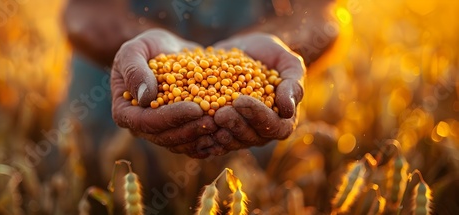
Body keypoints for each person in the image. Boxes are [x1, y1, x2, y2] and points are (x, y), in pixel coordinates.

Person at [59, 0, 339, 213]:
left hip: (253, 115)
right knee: (85, 181)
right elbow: (85, 13)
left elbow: (319, 14)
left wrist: (281, 47)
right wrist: (134, 52)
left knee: (245, 194)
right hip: (108, 84)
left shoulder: (253, 84)